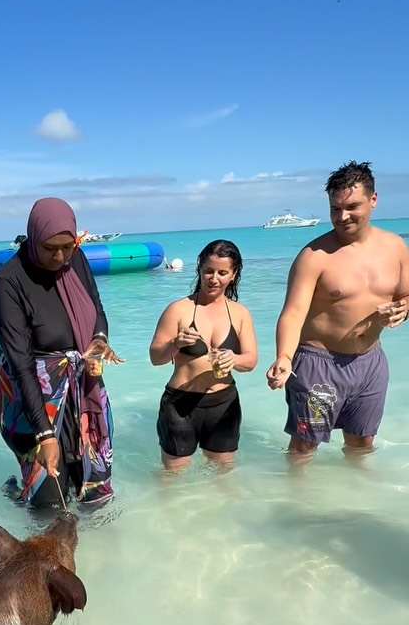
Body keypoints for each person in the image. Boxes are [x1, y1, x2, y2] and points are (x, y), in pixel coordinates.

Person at [266, 161, 409, 458]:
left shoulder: (396, 247)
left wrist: (403, 309)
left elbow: (405, 295)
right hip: (318, 363)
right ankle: (295, 502)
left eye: (352, 207)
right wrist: (283, 357)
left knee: (363, 443)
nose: (342, 217)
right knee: (305, 448)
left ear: (373, 200)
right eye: (334, 209)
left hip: (370, 363)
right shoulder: (313, 256)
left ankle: (357, 501)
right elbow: (292, 313)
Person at [0, 197, 122, 510]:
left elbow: (96, 309)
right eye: (50, 248)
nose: (60, 256)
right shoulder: (7, 283)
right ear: (34, 238)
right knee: (48, 504)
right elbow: (21, 365)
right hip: (32, 398)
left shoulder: (75, 260)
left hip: (82, 389)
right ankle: (20, 493)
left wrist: (98, 340)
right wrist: (46, 435)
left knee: (94, 497)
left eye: (67, 246)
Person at [149, 240, 258, 469]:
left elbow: (250, 360)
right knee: (172, 478)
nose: (214, 278)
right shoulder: (178, 309)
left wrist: (234, 359)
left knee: (223, 476)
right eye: (208, 271)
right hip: (180, 405)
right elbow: (156, 358)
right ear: (199, 269)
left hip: (223, 403)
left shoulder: (240, 313)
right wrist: (175, 343)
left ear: (233, 274)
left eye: (222, 272)